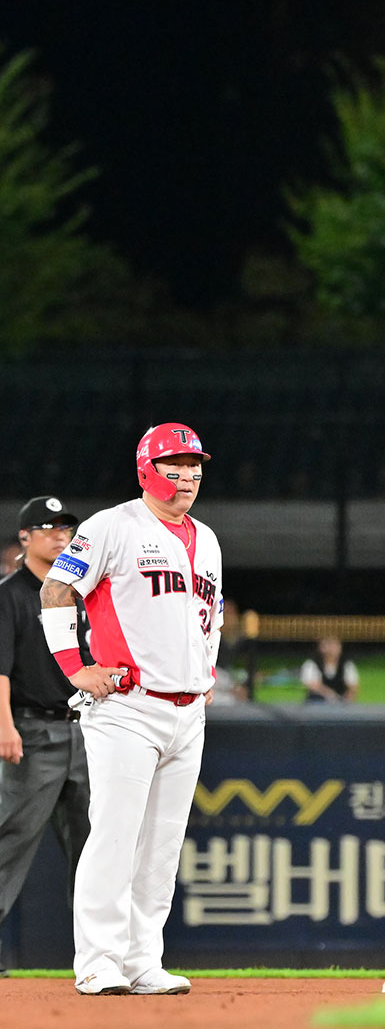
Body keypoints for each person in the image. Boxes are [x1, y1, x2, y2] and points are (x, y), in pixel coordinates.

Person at [41, 423, 222, 997]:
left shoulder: (207, 539)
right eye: (175, 464)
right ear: (147, 469)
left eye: (194, 466)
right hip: (127, 707)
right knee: (115, 837)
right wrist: (75, 668)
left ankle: (144, 961)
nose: (187, 475)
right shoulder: (112, 526)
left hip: (187, 714)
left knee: (162, 847)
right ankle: (97, 961)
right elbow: (55, 590)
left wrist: (207, 670)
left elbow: (211, 616)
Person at [0, 497, 90, 978]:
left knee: (95, 849)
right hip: (32, 731)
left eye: (65, 529)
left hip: (87, 729)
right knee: (9, 841)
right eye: (48, 528)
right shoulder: (10, 594)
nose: (59, 535)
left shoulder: (80, 592)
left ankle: (101, 955)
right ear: (24, 537)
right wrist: (4, 725)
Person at [301, 636, 360, 704]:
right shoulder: (311, 664)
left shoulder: (347, 665)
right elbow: (314, 686)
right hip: (317, 702)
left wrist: (347, 702)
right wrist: (331, 696)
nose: (331, 649)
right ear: (320, 647)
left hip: (340, 703)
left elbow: (353, 687)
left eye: (335, 645)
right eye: (328, 644)